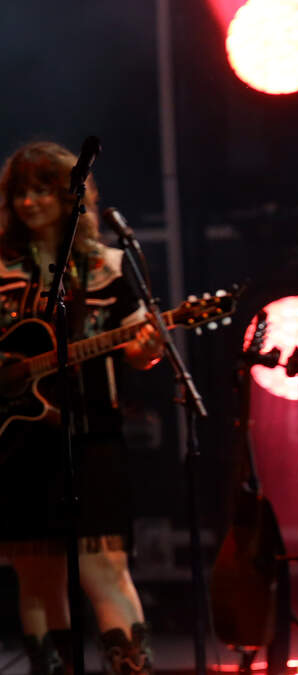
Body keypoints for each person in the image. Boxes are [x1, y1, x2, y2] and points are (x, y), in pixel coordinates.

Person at [0, 141, 164, 675]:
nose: (29, 202)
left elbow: (140, 351)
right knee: (37, 574)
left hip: (92, 436)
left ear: (70, 195)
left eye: (42, 190)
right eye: (20, 193)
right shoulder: (0, 267)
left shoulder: (106, 266)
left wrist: (148, 348)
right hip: (17, 444)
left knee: (106, 567)